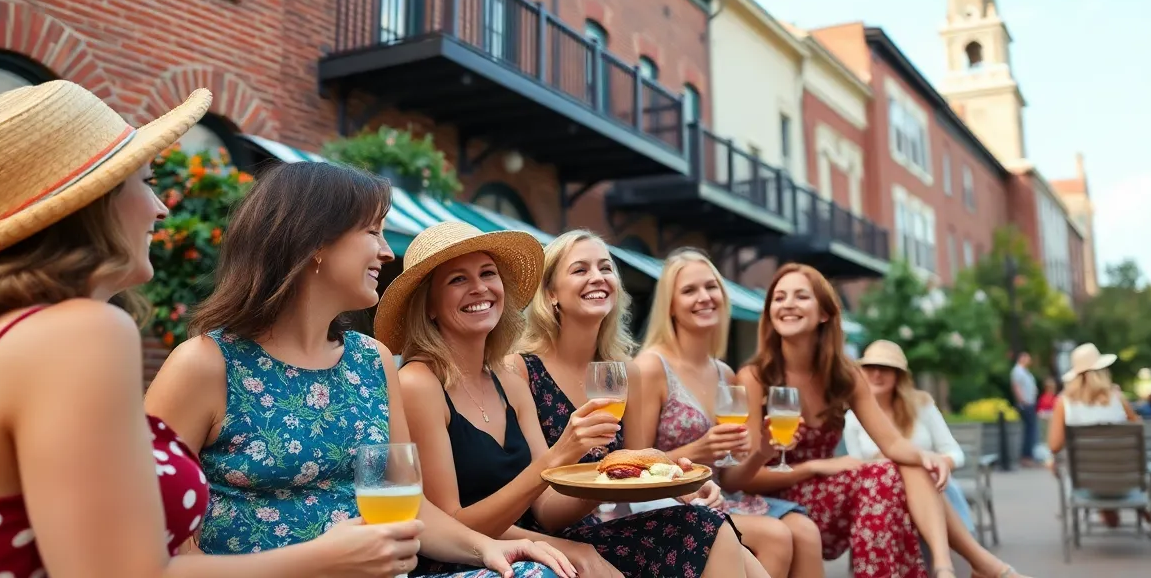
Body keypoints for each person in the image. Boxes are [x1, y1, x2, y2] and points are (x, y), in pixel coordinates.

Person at [0, 81, 409, 577]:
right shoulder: (82, 332)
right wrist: (323, 560)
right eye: (145, 181)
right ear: (94, 202)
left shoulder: (24, 335)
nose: (161, 207)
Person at [146, 163, 569, 578]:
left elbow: (409, 503)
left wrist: (489, 548)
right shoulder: (205, 364)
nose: (386, 253)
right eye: (372, 232)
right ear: (313, 244)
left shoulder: (373, 359)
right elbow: (149, 555)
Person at [386, 222, 756, 578]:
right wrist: (561, 455)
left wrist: (630, 475)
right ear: (429, 305)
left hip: (547, 540)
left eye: (487, 273)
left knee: (703, 526)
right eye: (458, 279)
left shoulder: (506, 379)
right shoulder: (420, 383)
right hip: (473, 558)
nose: (480, 288)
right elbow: (452, 526)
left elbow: (547, 510)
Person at [733, 264, 1032, 578]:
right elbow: (743, 478)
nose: (788, 304)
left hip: (830, 505)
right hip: (771, 504)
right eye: (779, 298)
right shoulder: (755, 378)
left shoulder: (844, 376)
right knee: (885, 473)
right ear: (769, 313)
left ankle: (945, 567)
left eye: (800, 296)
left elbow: (892, 443)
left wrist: (929, 456)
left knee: (900, 465)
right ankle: (977, 566)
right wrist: (815, 467)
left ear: (824, 313)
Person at [625, 247, 824, 578]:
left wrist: (764, 450)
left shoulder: (725, 374)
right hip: (668, 502)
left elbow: (730, 475)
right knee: (776, 536)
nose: (704, 297)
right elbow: (635, 465)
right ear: (670, 306)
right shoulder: (650, 368)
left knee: (805, 530)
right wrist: (697, 451)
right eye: (689, 290)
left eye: (710, 287)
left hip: (720, 494)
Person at [843, 341, 974, 532]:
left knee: (922, 478)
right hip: (884, 496)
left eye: (885, 368)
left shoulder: (922, 405)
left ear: (898, 375)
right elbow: (856, 469)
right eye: (870, 367)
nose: (876, 374)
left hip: (932, 487)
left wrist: (936, 464)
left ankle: (945, 555)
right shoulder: (853, 418)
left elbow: (955, 453)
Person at [1046, 342, 1141, 529]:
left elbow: (1054, 446)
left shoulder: (1063, 404)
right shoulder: (1118, 398)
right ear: (1102, 370)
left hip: (1086, 482)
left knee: (1053, 462)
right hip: (1125, 478)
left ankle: (1104, 508)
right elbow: (1138, 429)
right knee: (1112, 458)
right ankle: (1127, 507)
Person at [1010, 352, 1039, 467]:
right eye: (1028, 359)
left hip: (1030, 403)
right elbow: (1016, 387)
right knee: (1029, 431)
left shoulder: (1025, 371)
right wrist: (1023, 401)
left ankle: (1029, 455)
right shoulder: (1017, 371)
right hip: (1026, 404)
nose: (1029, 361)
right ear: (1022, 358)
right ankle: (1026, 456)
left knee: (1031, 430)